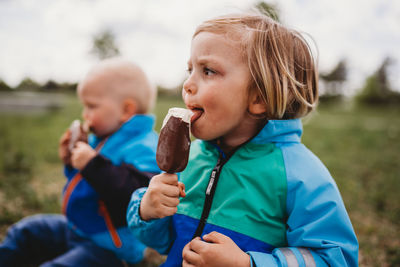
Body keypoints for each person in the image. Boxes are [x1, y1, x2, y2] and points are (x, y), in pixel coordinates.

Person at [126, 12, 359, 267]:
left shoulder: (301, 175)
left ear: (258, 98)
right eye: (190, 69)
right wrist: (148, 210)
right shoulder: (191, 158)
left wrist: (248, 264)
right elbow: (163, 242)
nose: (188, 84)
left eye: (208, 71)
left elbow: (336, 258)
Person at [0, 58, 161, 266]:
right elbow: (88, 183)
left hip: (110, 248)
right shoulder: (102, 137)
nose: (85, 114)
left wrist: (92, 165)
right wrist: (71, 161)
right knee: (26, 231)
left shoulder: (144, 146)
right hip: (78, 229)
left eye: (91, 106)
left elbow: (138, 193)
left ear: (126, 110)